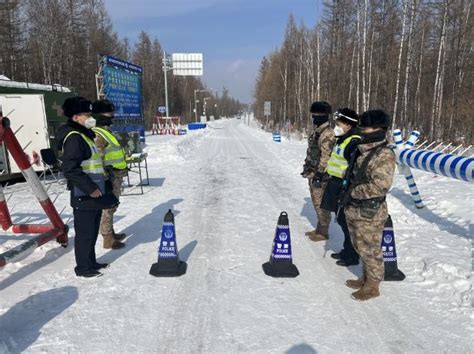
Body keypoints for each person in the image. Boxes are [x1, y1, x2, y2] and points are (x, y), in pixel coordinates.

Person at [57, 96, 118, 278]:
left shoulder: (85, 134)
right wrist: (90, 188)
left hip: (94, 191)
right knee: (84, 234)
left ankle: (91, 262)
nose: (90, 117)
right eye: (86, 114)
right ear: (76, 117)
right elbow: (70, 169)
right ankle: (83, 268)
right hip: (84, 194)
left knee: (91, 232)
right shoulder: (74, 137)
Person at [342, 110, 396, 301]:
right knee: (359, 245)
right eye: (362, 126)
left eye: (367, 127)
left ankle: (373, 285)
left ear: (379, 129)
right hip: (355, 208)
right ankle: (365, 277)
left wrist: (354, 192)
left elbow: (381, 186)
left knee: (370, 248)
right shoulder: (362, 149)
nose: (363, 130)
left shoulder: (383, 154)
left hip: (370, 211)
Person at [320, 108, 361, 267]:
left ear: (349, 125)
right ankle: (346, 250)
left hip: (344, 185)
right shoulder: (344, 138)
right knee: (341, 219)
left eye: (339, 124)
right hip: (335, 182)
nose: (336, 127)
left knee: (346, 221)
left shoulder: (353, 141)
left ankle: (352, 256)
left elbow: (354, 167)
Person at [92, 99, 127, 250]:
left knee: (113, 205)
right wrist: (104, 178)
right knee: (108, 206)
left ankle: (110, 232)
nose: (112, 115)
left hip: (116, 175)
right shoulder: (98, 133)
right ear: (100, 114)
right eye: (108, 112)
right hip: (109, 176)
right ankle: (107, 238)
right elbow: (97, 158)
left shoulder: (106, 130)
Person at [301, 101, 335, 242]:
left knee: (320, 202)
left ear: (324, 116)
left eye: (317, 115)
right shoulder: (318, 130)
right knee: (316, 201)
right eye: (313, 115)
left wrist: (320, 173)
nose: (314, 117)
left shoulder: (327, 133)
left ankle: (323, 232)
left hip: (321, 174)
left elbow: (326, 156)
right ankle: (319, 228)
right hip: (313, 170)